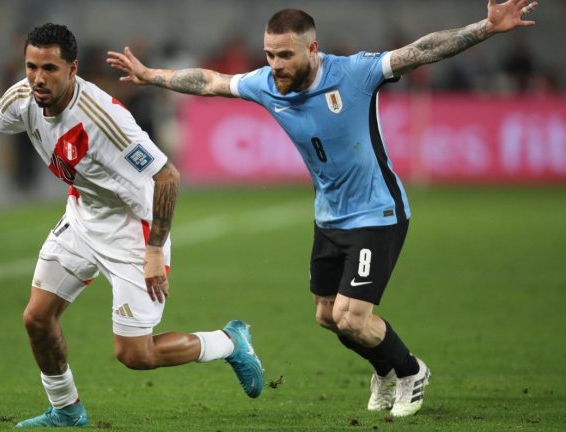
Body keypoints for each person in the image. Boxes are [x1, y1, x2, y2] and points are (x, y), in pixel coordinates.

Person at [107, 0, 539, 418]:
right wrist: (152, 75)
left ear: (312, 49)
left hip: (377, 213)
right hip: (329, 216)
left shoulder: (355, 74)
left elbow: (421, 51)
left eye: (285, 55)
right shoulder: (265, 83)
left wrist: (483, 29)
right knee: (327, 315)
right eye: (270, 54)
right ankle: (384, 371)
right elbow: (210, 81)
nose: (275, 64)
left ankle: (410, 371)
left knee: (352, 318)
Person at [0, 23, 263, 428]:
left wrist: (155, 249)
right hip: (84, 217)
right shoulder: (22, 98)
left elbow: (167, 176)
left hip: (133, 230)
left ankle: (228, 342)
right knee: (36, 318)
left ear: (72, 69)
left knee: (135, 356)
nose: (37, 77)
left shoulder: (103, 119)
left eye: (49, 68)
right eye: (31, 66)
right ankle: (67, 410)